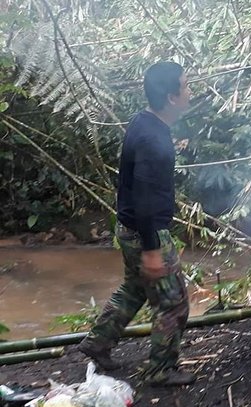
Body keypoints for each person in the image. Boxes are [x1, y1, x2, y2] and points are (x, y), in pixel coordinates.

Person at [78, 61, 195, 386]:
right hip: (146, 230)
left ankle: (98, 342)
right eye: (187, 86)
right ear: (172, 97)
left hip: (129, 227)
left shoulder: (144, 123)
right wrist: (153, 250)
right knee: (173, 303)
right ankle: (159, 369)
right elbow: (144, 196)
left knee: (134, 289)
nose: (190, 92)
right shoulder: (152, 139)